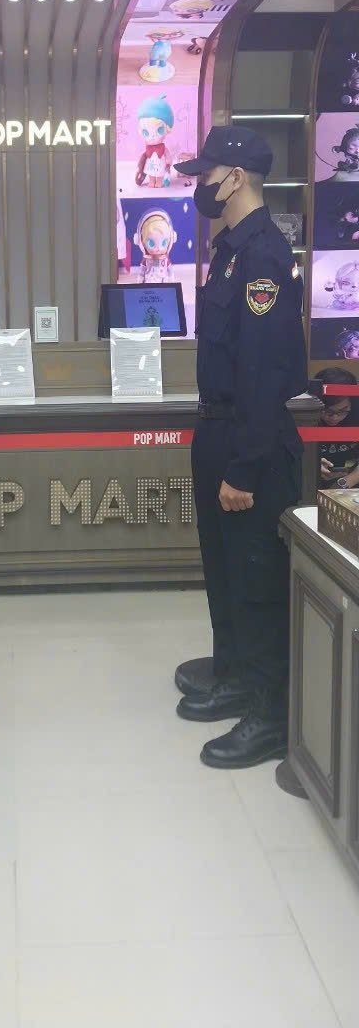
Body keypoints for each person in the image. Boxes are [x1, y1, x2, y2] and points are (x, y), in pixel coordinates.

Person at [172, 127, 307, 768]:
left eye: (207, 174)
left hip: (250, 438)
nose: (200, 185)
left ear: (235, 178)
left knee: (257, 580)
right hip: (218, 427)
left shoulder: (264, 256)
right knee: (224, 569)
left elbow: (262, 370)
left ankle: (270, 713)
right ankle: (235, 676)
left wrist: (246, 466)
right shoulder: (228, 249)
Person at [310, 368, 359, 490]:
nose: (334, 418)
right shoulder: (306, 418)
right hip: (311, 485)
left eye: (343, 411)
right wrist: (311, 465)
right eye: (327, 411)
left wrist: (344, 483)